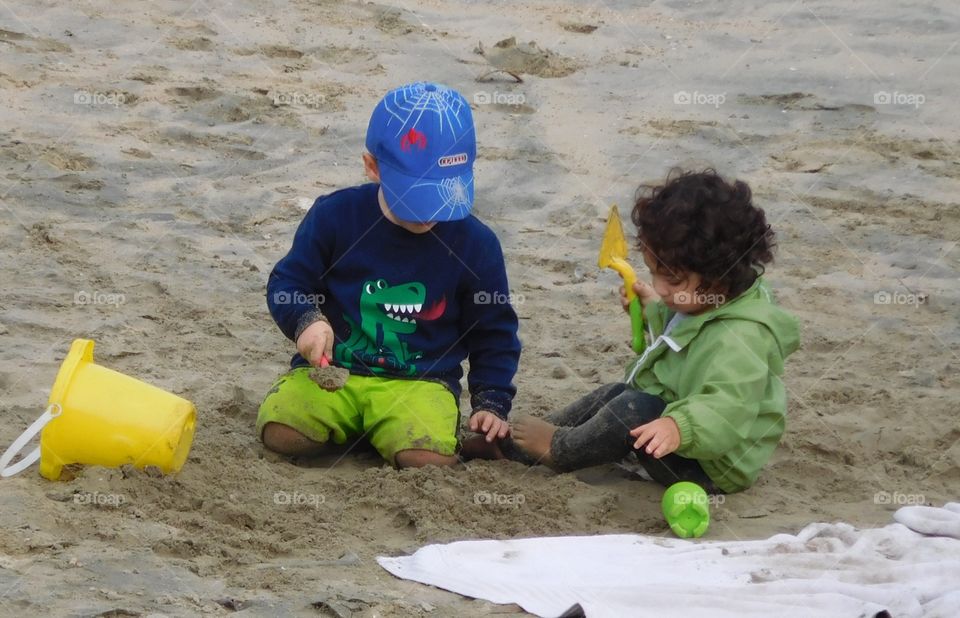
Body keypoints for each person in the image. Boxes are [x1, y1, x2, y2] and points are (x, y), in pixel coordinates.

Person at [257, 82, 521, 468]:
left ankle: (405, 434)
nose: (427, 213)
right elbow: (288, 283)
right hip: (337, 372)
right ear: (372, 167)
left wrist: (491, 402)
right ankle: (369, 429)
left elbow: (494, 332)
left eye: (441, 196)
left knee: (424, 458)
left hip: (420, 384)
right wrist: (306, 322)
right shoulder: (335, 217)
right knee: (281, 431)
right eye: (415, 197)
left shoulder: (476, 244)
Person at [507, 169, 800, 494]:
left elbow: (728, 408)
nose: (660, 288)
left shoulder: (743, 337)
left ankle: (558, 449)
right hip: (677, 420)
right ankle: (523, 443)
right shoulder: (710, 300)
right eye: (653, 273)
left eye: (672, 280)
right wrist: (652, 307)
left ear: (718, 279)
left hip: (710, 463)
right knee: (615, 394)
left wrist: (679, 427)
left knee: (633, 410)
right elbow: (685, 334)